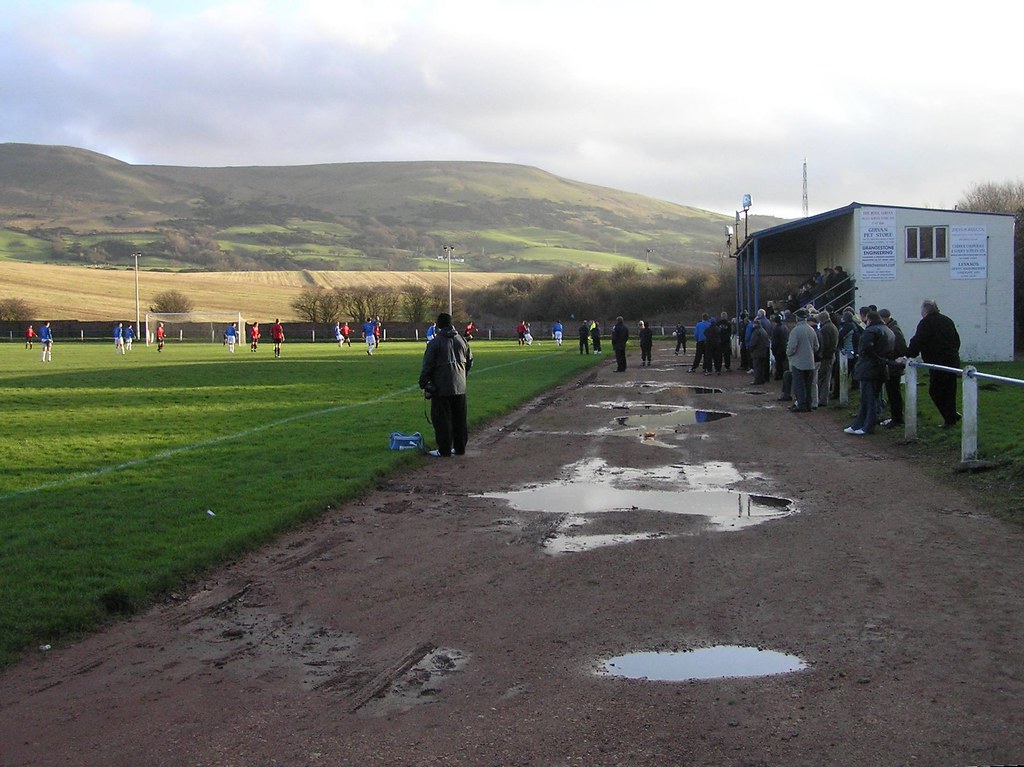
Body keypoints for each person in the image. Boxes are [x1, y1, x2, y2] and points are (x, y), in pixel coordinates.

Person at [419, 312, 473, 458]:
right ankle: (460, 447)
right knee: (460, 419)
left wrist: (424, 384)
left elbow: (428, 365)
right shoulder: (462, 340)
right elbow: (469, 362)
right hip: (460, 386)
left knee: (442, 419)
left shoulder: (435, 343)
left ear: (439, 326)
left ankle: (444, 450)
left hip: (441, 388)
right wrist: (462, 376)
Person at [901, 299, 962, 428]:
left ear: (924, 311)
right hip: (952, 361)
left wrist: (908, 355)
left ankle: (950, 418)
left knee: (935, 391)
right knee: (950, 391)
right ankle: (951, 416)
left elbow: (918, 341)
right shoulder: (947, 320)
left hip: (937, 362)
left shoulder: (926, 323)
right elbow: (956, 340)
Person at [844, 310, 894, 435]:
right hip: (880, 369)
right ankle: (859, 424)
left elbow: (865, 349)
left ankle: (867, 426)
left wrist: (876, 359)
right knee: (871, 398)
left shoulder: (871, 331)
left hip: (869, 369)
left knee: (868, 399)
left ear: (869, 319)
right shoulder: (889, 331)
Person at [785, 308, 819, 412]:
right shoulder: (811, 330)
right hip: (810, 362)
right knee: (808, 385)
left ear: (797, 318)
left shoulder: (795, 331)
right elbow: (816, 346)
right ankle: (809, 405)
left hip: (798, 362)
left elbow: (791, 348)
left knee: (799, 385)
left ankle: (801, 405)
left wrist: (789, 354)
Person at [879, 308, 908, 428]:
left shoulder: (894, 330)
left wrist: (892, 358)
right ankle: (896, 417)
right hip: (891, 365)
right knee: (892, 393)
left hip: (894, 366)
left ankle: (897, 418)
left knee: (894, 393)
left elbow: (901, 348)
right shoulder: (892, 328)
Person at [816, 310, 839, 408]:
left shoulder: (825, 329)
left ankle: (821, 399)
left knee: (821, 378)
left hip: (826, 357)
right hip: (831, 355)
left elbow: (824, 344)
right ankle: (824, 399)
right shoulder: (833, 327)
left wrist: (820, 355)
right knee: (827, 378)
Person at [748, 318, 771, 385]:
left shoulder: (756, 332)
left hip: (757, 352)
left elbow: (753, 342)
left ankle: (757, 380)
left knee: (757, 366)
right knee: (761, 367)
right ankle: (761, 379)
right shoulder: (763, 330)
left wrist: (751, 349)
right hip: (763, 351)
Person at [770, 314, 789, 381]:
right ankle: (782, 374)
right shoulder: (785, 327)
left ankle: (779, 375)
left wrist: (773, 348)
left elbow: (774, 340)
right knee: (782, 362)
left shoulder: (776, 329)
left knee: (778, 363)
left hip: (778, 349)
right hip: (784, 347)